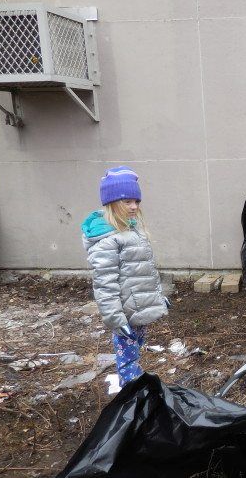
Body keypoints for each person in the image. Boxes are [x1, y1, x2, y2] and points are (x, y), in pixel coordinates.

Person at [81, 166, 169, 388]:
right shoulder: (108, 240)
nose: (134, 207)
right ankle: (130, 395)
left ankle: (133, 388)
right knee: (128, 361)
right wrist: (115, 318)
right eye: (127, 202)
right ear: (112, 203)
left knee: (135, 350)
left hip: (137, 309)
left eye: (136, 201)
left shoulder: (132, 231)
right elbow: (104, 285)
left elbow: (143, 272)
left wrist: (157, 299)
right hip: (124, 314)